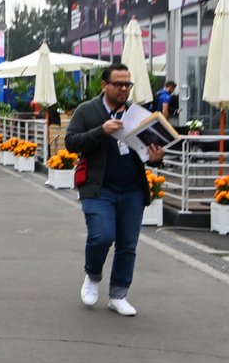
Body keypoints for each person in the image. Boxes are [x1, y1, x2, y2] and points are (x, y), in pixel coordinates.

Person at [65, 64, 166, 317]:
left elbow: (148, 152)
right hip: (99, 189)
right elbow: (71, 142)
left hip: (132, 188)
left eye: (127, 85)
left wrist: (156, 158)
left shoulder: (138, 114)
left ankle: (118, 295)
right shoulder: (87, 111)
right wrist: (101, 131)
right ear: (104, 85)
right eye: (118, 84)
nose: (124, 89)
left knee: (127, 245)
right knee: (101, 236)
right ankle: (93, 274)